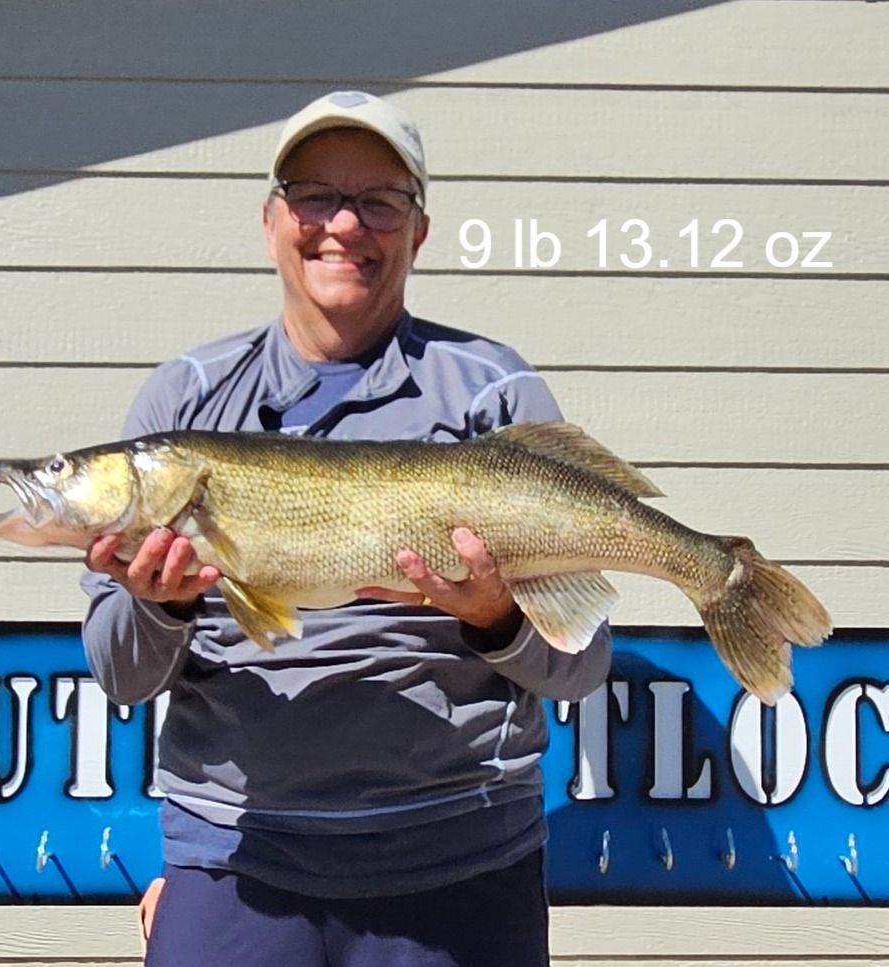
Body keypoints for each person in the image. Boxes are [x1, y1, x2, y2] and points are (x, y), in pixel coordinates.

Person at [81, 90, 611, 967]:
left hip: (460, 852)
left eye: (378, 202)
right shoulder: (185, 405)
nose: (342, 225)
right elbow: (121, 675)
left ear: (418, 231)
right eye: (315, 196)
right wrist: (161, 609)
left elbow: (579, 667)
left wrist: (494, 617)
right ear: (270, 220)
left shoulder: (490, 392)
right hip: (239, 857)